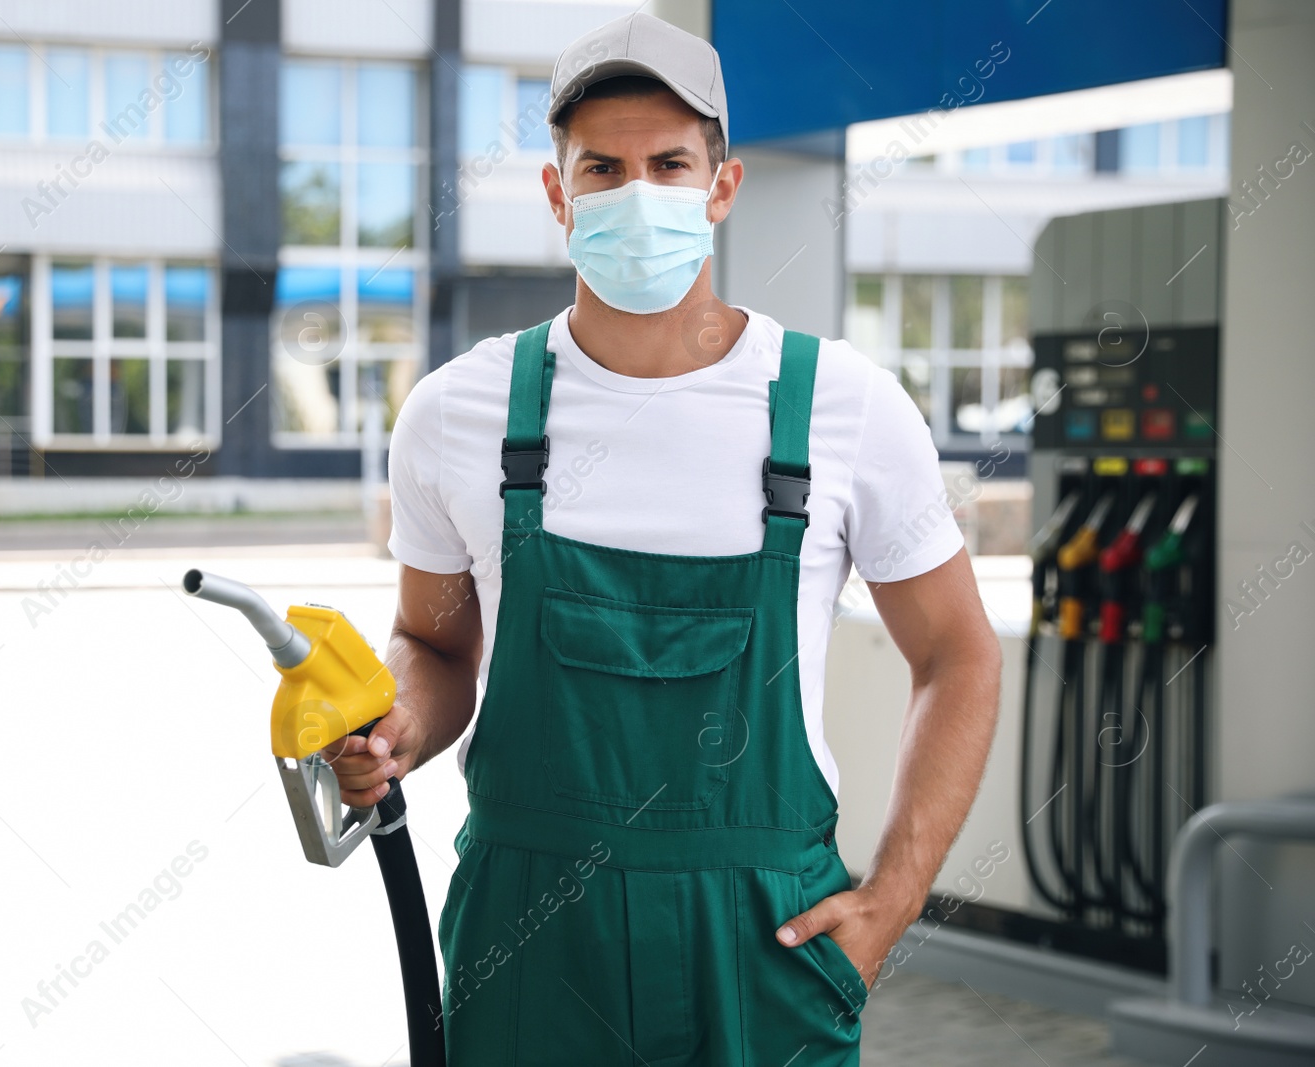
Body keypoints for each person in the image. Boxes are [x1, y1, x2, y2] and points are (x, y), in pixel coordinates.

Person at [325, 12, 1001, 1065]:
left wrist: (891, 900)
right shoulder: (459, 413)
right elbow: (436, 642)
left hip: (764, 939)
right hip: (527, 935)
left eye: (669, 162)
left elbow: (957, 653)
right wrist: (396, 727)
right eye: (602, 165)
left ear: (720, 186)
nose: (636, 192)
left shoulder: (843, 408)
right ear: (558, 194)